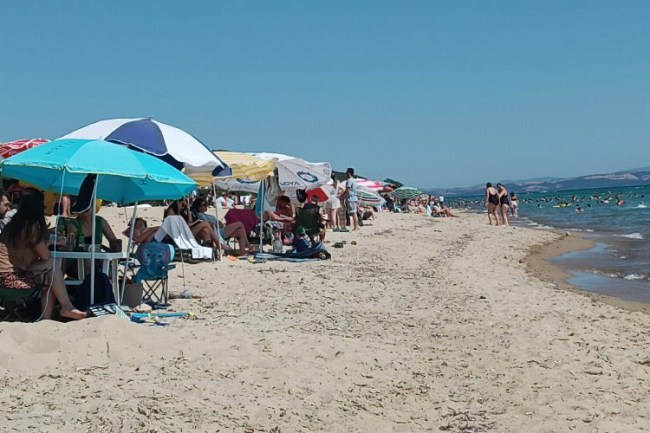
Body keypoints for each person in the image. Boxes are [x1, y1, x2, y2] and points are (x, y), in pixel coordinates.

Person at [0, 192, 85, 320]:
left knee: (49, 278)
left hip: (3, 280)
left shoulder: (12, 226)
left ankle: (52, 316)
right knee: (51, 266)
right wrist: (49, 241)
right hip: (11, 283)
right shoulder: (31, 227)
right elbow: (45, 256)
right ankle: (64, 308)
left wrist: (45, 237)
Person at [191, 197, 257, 255]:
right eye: (204, 205)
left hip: (220, 230)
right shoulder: (199, 215)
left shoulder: (204, 214)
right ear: (198, 207)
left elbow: (215, 222)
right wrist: (217, 223)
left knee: (240, 231)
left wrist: (219, 222)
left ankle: (243, 252)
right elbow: (208, 224)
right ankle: (249, 246)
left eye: (206, 204)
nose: (206, 206)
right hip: (218, 232)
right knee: (240, 224)